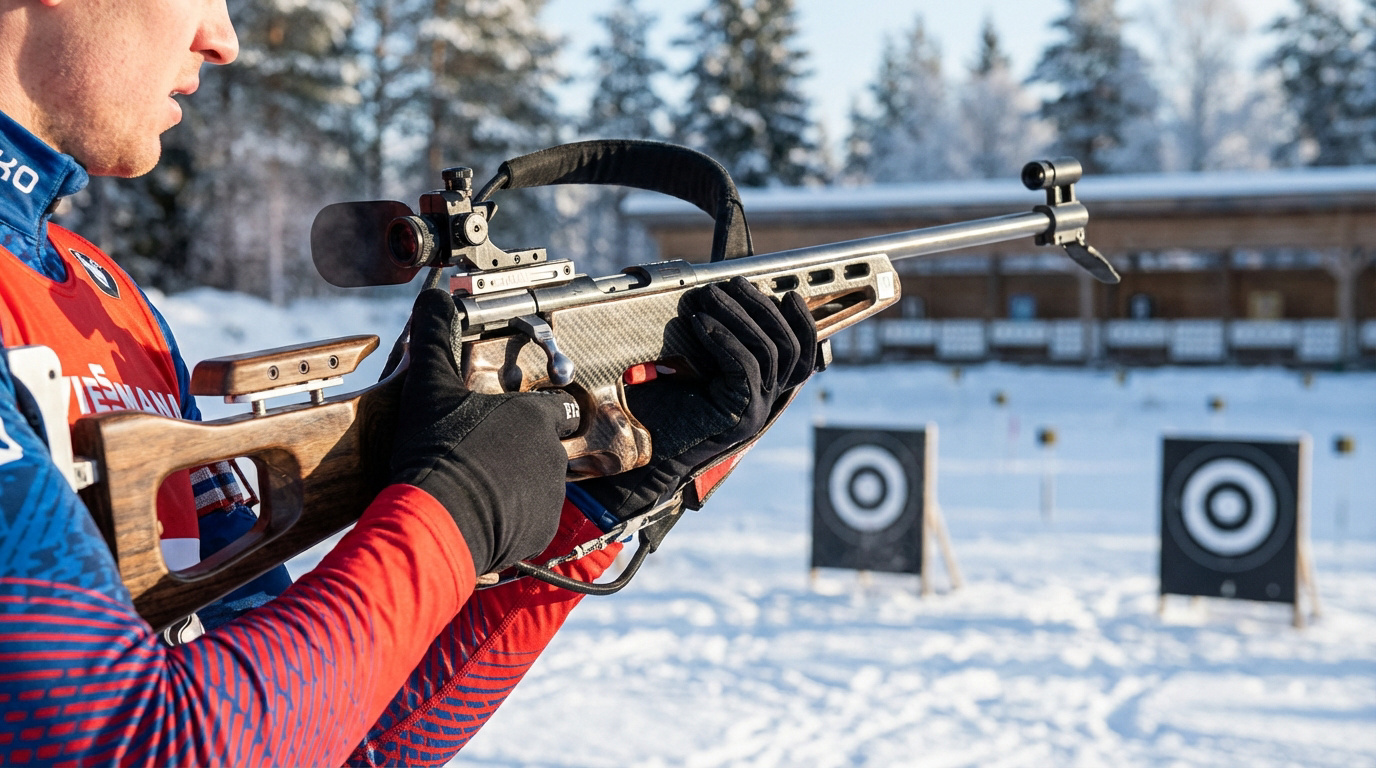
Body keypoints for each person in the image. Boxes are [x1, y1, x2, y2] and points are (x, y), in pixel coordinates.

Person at [0, 0, 818, 765]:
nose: (223, 37)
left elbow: (346, 740)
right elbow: (142, 743)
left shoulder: (100, 295)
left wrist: (596, 505)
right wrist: (455, 513)